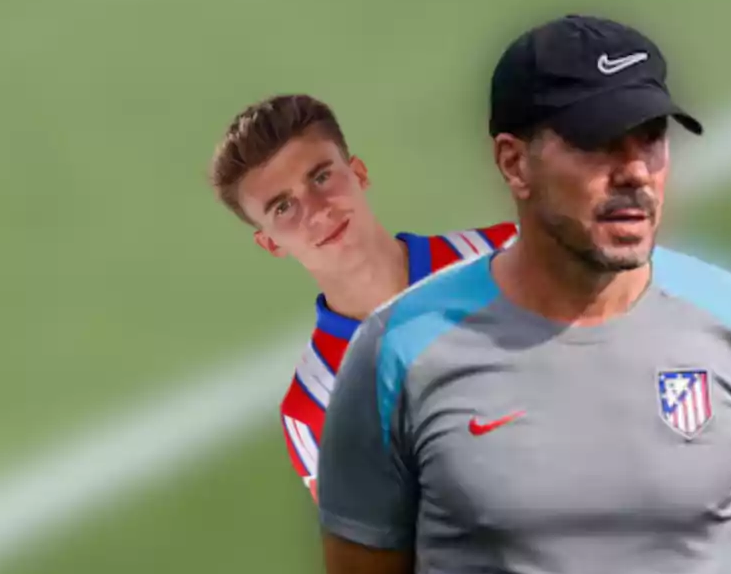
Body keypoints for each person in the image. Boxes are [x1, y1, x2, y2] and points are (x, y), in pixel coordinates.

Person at [317, 14, 731, 574]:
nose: (635, 170)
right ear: (514, 163)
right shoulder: (403, 351)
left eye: (650, 138)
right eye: (598, 143)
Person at [207, 94, 518, 500]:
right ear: (270, 243)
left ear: (359, 173)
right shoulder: (311, 409)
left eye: (320, 178)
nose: (317, 211)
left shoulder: (511, 253)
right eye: (284, 207)